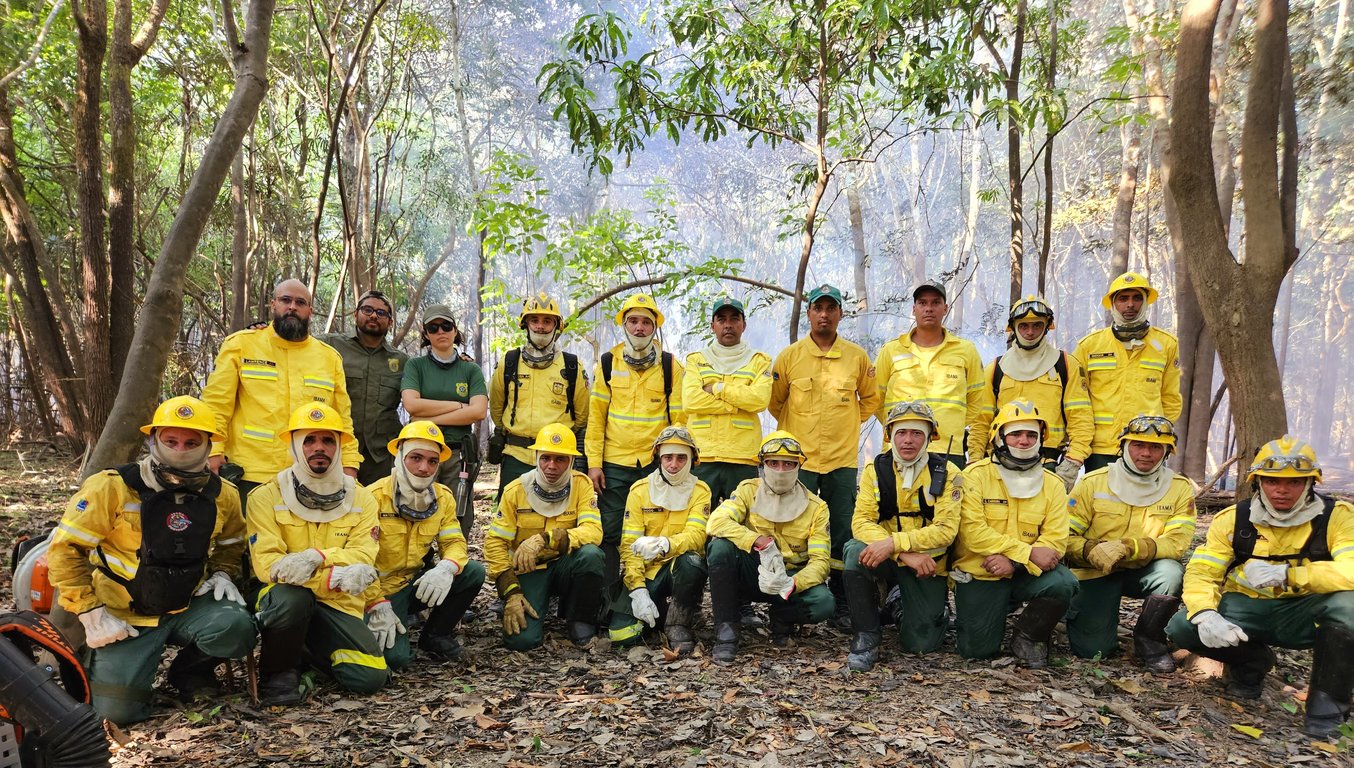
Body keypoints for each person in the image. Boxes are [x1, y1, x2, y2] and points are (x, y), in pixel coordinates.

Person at [45, 396, 256, 725]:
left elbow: (232, 543)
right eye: (170, 440)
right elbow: (64, 549)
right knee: (115, 714)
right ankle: (109, 669)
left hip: (188, 604)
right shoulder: (111, 487)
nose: (180, 450)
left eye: (191, 442)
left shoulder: (223, 494)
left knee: (239, 626)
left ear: (208, 446)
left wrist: (223, 574)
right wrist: (89, 610)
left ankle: (189, 672)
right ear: (153, 439)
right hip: (123, 615)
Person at [1166, 436, 1354, 738]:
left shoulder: (1338, 518)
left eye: (1294, 482)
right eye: (1272, 481)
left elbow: (1351, 571)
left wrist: (1290, 576)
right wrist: (1204, 613)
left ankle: (1327, 711)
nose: (1282, 490)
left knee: (1350, 606)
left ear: (1310, 483)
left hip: (1305, 612)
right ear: (1257, 482)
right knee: (1182, 627)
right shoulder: (1233, 519)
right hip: (1248, 609)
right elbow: (1202, 571)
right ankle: (1253, 663)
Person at [246, 403, 388, 705]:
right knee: (292, 599)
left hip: (340, 602)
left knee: (371, 677)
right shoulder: (266, 496)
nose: (318, 448)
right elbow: (269, 566)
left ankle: (307, 649)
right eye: (309, 440)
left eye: (327, 440)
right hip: (281, 595)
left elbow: (364, 554)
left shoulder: (362, 497)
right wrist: (333, 576)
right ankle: (278, 672)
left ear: (339, 446)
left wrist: (318, 559)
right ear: (295, 446)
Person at [770, 284, 879, 630]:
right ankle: (792, 598)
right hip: (798, 463)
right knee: (793, 526)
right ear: (809, 313)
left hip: (841, 461)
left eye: (831, 308)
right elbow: (775, 403)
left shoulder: (857, 357)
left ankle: (843, 602)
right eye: (818, 308)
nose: (824, 315)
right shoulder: (789, 357)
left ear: (840, 314)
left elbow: (872, 399)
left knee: (843, 529)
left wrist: (849, 422)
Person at [202, 278, 359, 497]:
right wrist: (214, 451)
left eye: (300, 302)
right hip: (250, 474)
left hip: (308, 474)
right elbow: (216, 406)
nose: (292, 306)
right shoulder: (240, 345)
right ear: (273, 304)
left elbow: (342, 419)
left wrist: (349, 464)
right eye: (286, 300)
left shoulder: (328, 357)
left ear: (310, 311)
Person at [949, 399, 1078, 667]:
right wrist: (1028, 552)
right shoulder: (974, 476)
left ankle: (1029, 636)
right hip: (981, 570)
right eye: (1015, 434)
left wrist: (1016, 562)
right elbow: (972, 534)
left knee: (1063, 583)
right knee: (977, 652)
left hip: (1025, 571)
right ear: (1000, 437)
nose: (1023, 441)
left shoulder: (1053, 484)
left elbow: (1056, 540)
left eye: (1031, 434)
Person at [1064, 415, 1197, 672]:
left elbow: (1177, 542)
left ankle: (1149, 639)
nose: (1146, 453)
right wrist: (1090, 550)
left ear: (1167, 451)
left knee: (1171, 572)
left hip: (1143, 570)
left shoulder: (1179, 489)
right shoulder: (1093, 482)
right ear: (1124, 446)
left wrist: (1130, 547)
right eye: (1138, 445)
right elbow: (1063, 536)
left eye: (1155, 447)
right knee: (1094, 651)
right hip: (1095, 571)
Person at [842, 402, 962, 671]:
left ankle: (899, 603)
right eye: (901, 432)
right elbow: (860, 521)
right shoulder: (876, 469)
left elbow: (946, 529)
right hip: (894, 557)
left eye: (917, 433)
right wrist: (901, 551)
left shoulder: (948, 472)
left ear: (930, 437)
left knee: (921, 643)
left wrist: (895, 544)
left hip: (928, 566)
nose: (908, 440)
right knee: (854, 551)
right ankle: (867, 636)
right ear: (890, 435)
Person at [361, 421, 487, 669]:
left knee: (472, 572)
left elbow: (453, 541)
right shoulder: (372, 498)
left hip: (414, 582)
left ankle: (436, 635)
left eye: (432, 461)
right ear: (399, 457)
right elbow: (358, 559)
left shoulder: (442, 497)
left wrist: (446, 568)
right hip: (378, 590)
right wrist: (375, 601)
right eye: (415, 458)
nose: (423, 468)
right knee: (397, 660)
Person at [585, 294, 685, 598]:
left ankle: (649, 597)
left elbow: (679, 421)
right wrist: (594, 463)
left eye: (646, 322)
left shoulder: (671, 366)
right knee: (609, 531)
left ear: (654, 327)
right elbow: (596, 419)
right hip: (614, 463)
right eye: (633, 321)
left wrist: (673, 463)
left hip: (655, 464)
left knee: (653, 529)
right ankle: (607, 600)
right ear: (624, 325)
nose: (639, 328)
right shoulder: (607, 363)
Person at [705, 432, 835, 662]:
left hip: (788, 578)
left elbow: (820, 561)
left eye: (788, 464)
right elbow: (716, 522)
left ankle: (782, 617)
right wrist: (755, 540)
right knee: (720, 548)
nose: (780, 470)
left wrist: (794, 583)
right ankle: (726, 629)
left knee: (823, 603)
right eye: (773, 463)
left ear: (799, 466)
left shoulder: (817, 507)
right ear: (762, 465)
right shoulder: (747, 490)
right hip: (751, 571)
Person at [486, 423, 606, 650]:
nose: (551, 466)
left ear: (571, 461)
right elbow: (495, 544)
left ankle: (580, 619)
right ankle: (525, 599)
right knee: (521, 641)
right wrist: (511, 591)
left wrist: (546, 538)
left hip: (565, 565)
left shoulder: (581, 485)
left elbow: (593, 531)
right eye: (546, 458)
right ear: (537, 457)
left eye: (560, 459)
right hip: (529, 569)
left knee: (591, 555)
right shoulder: (515, 490)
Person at [968, 296, 1092, 490]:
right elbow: (981, 421)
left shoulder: (1066, 365)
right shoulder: (995, 369)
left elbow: (1081, 418)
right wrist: (974, 460)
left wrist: (1072, 462)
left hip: (1048, 463)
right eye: (1024, 325)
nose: (1030, 331)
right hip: (1000, 461)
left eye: (1037, 325)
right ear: (1014, 327)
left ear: (1047, 327)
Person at [608, 427, 711, 655]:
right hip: (645, 573)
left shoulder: (700, 491)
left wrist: (665, 544)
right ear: (658, 458)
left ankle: (679, 624)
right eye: (668, 457)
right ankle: (659, 610)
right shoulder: (639, 491)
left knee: (692, 562)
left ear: (692, 460)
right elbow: (629, 545)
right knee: (623, 636)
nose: (673, 464)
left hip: (677, 567)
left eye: (681, 458)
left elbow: (696, 536)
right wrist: (637, 589)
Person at [874, 279, 991, 469]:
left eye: (935, 303)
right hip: (899, 449)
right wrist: (899, 428)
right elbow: (876, 398)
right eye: (922, 303)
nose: (929, 308)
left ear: (945, 308)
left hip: (948, 449)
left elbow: (977, 400)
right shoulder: (891, 350)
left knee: (947, 499)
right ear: (914, 309)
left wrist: (951, 425)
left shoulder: (965, 350)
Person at [1072, 272, 1181, 472]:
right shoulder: (1089, 346)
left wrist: (1156, 438)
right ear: (1113, 303)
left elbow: (1171, 399)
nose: (1130, 304)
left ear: (1146, 302)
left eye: (1137, 298)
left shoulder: (1167, 345)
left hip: (1147, 447)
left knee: (1145, 502)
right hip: (1102, 447)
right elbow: (1077, 400)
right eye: (1123, 298)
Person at [488, 292, 588, 499]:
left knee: (557, 518)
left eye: (547, 321)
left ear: (557, 326)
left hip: (557, 459)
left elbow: (582, 415)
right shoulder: (509, 362)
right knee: (510, 517)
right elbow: (497, 408)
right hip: (516, 456)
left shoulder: (571, 366)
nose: (540, 326)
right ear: (525, 325)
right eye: (534, 320)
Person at [401, 304, 488, 534]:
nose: (441, 332)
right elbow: (411, 405)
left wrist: (425, 415)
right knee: (416, 508)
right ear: (426, 334)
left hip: (458, 454)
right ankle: (421, 564)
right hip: (422, 451)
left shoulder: (470, 370)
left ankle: (455, 564)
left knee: (459, 513)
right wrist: (459, 406)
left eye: (446, 326)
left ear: (455, 331)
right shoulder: (415, 366)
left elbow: (479, 411)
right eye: (433, 327)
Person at [682, 296, 772, 503]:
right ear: (713, 326)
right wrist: (735, 405)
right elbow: (690, 401)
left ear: (744, 325)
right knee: (699, 521)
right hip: (702, 456)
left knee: (743, 521)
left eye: (734, 319)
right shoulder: (696, 359)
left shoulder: (759, 361)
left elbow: (759, 400)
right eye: (721, 320)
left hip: (743, 456)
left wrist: (716, 388)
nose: (728, 325)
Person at [319, 289, 409, 486]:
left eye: (381, 313)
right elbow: (295, 342)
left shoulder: (402, 361)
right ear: (356, 314)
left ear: (390, 322)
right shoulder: (328, 345)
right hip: (337, 450)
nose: (374, 315)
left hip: (381, 455)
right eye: (367, 310)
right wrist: (261, 330)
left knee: (376, 509)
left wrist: (458, 359)